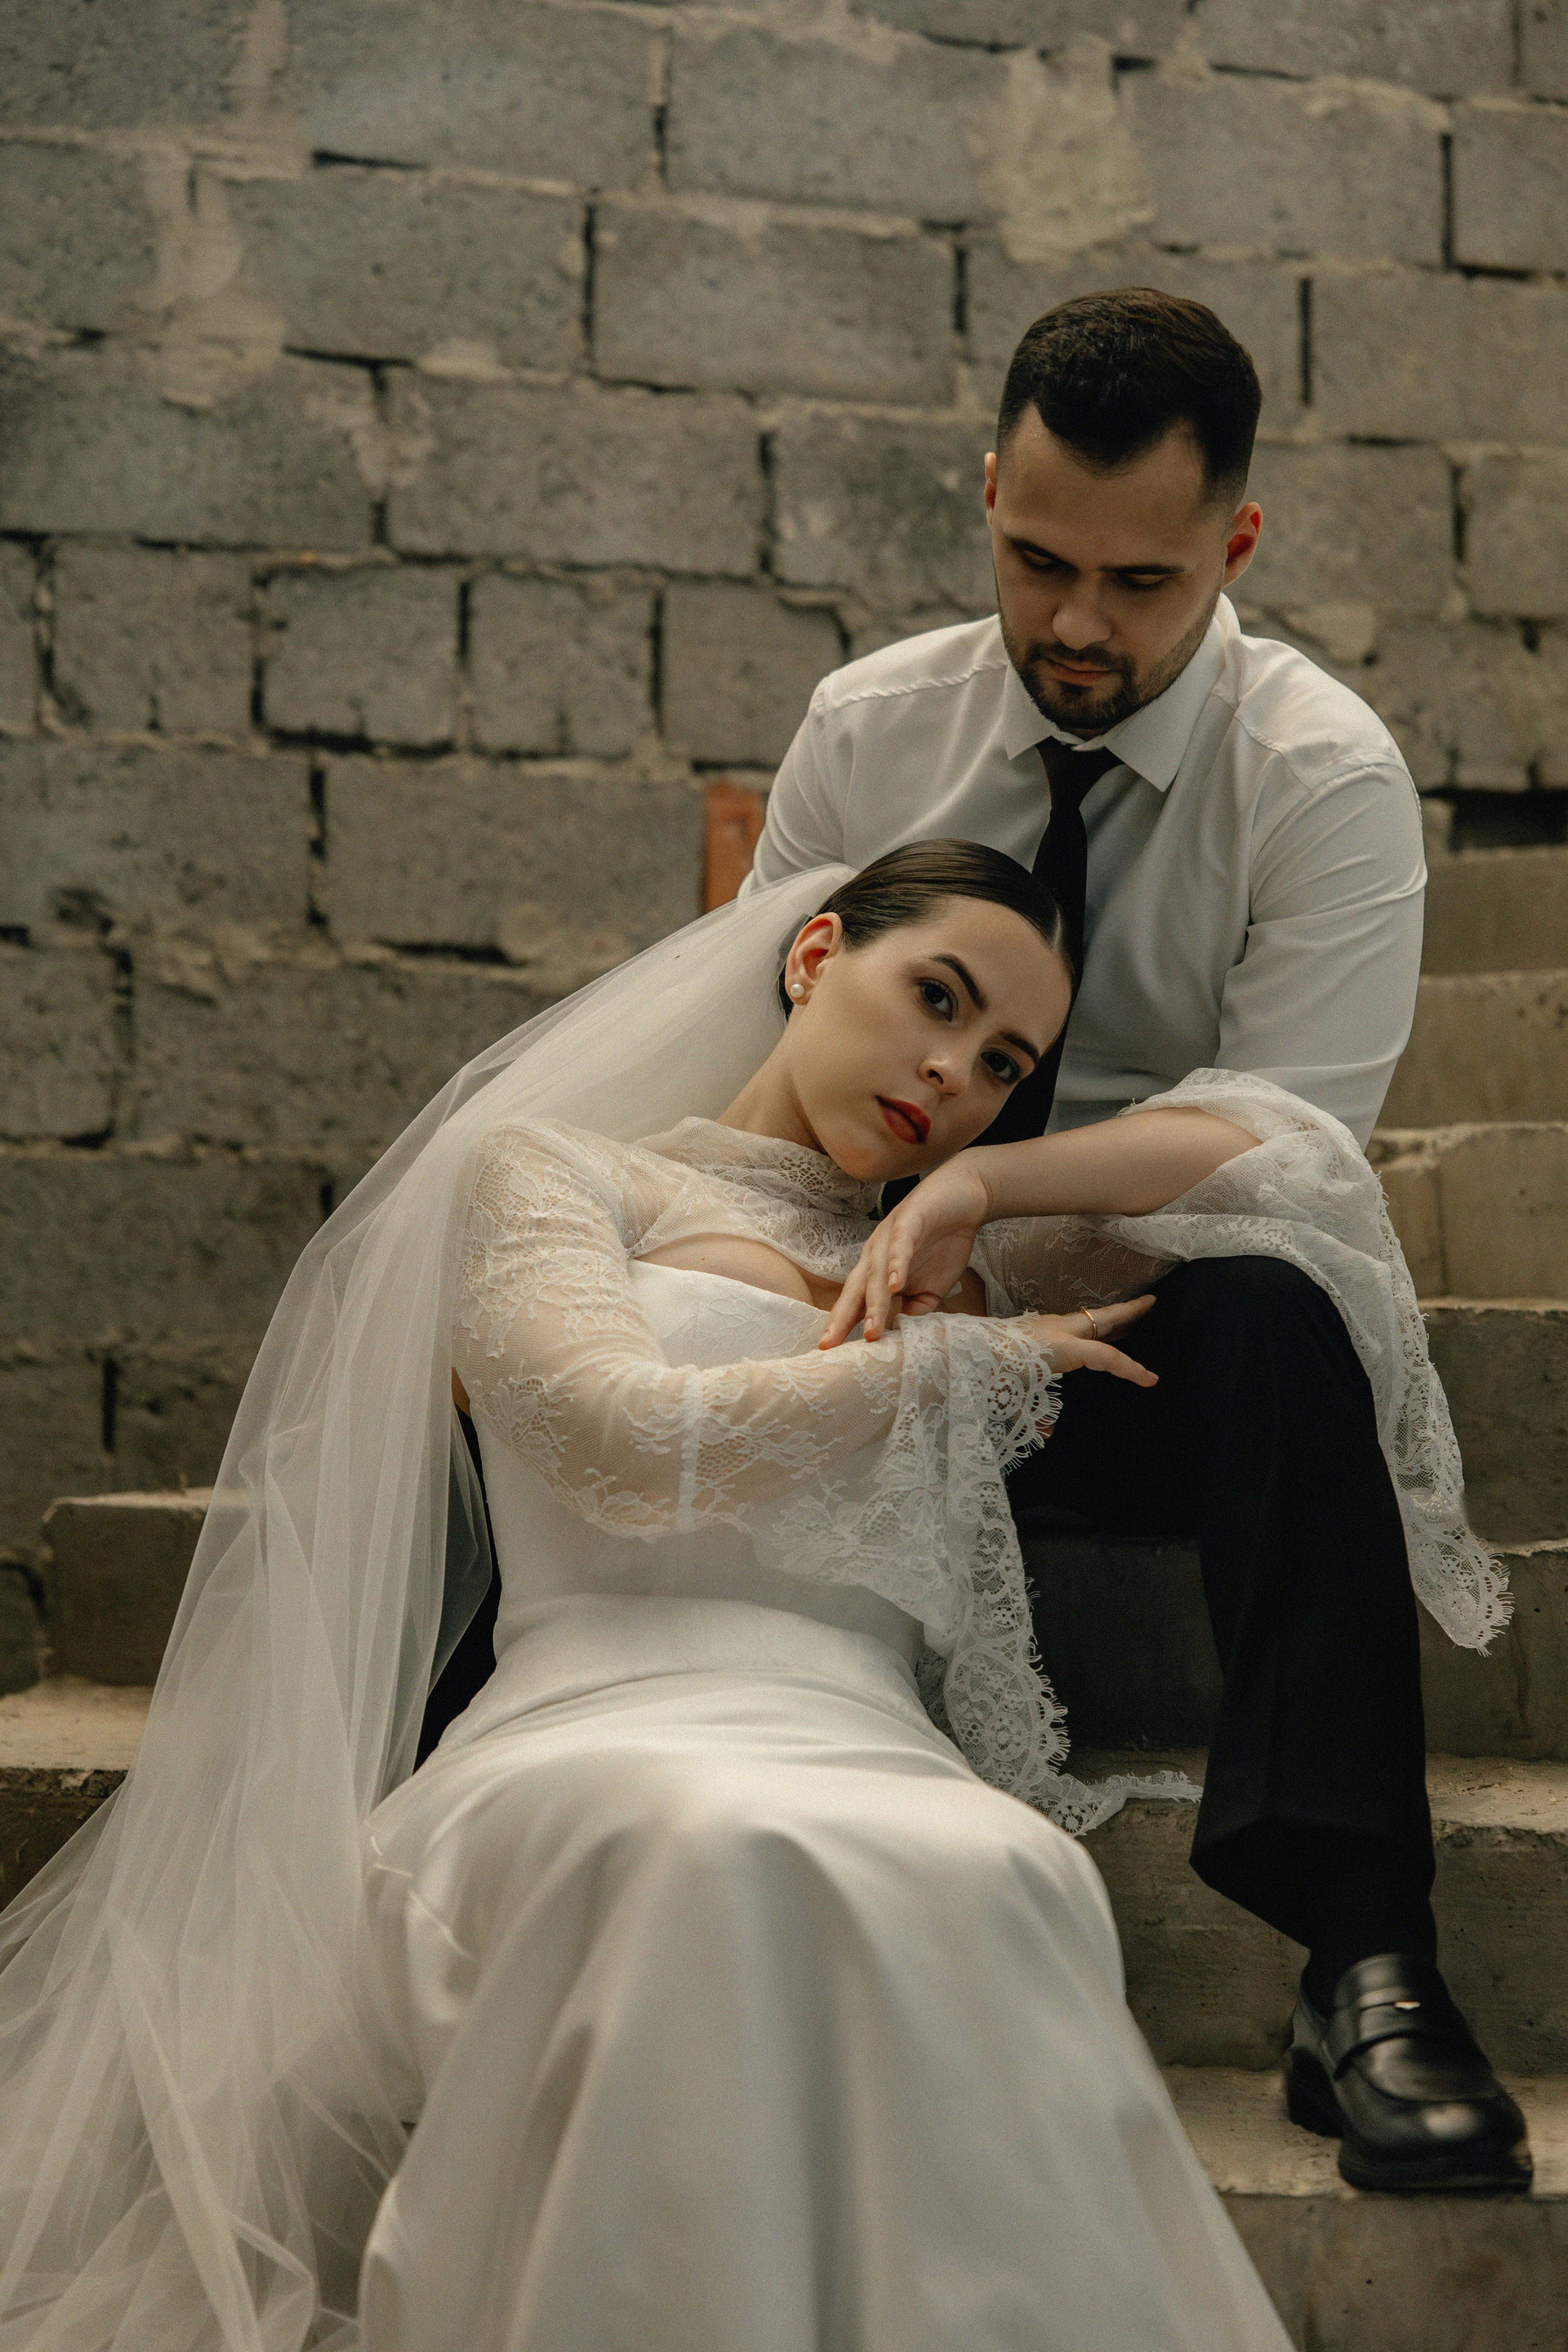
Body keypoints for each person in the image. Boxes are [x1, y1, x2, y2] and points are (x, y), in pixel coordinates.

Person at [1, 834, 1494, 2350]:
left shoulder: (963, 1255)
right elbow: (610, 1438)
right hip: (590, 1718)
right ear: (813, 954)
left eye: (1002, 1061)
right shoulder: (562, 1172)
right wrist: (948, 1368)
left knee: (1006, 1870)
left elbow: (1285, 1162)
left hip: (865, 1736)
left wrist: (987, 1180)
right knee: (705, 1846)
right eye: (935, 997)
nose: (952, 1072)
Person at [743, 290, 1530, 2194]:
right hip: (862, 1326)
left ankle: (1367, 1963)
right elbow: (756, 1032)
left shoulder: (1320, 772)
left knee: (1280, 1314)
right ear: (985, 492)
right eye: (1038, 561)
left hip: (1147, 1352)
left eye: (1141, 580)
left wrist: (987, 1188)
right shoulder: (872, 731)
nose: (1079, 623)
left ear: (1237, 543)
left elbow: (1284, 1140)